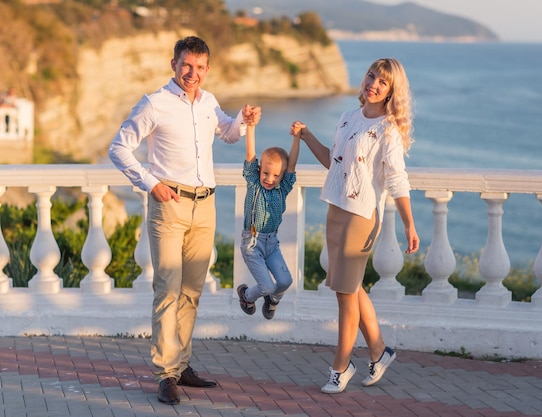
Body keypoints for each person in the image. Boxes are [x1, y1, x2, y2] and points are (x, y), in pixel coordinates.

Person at [108, 36, 261, 405]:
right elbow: (118, 148)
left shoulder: (208, 102)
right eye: (186, 65)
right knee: (168, 290)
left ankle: (182, 365)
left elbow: (226, 132)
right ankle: (165, 374)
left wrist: (244, 120)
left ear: (207, 69)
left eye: (200, 67)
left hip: (205, 205)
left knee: (192, 292)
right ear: (173, 63)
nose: (193, 73)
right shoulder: (154, 103)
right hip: (169, 205)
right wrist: (150, 183)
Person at [290, 58, 419, 394]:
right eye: (371, 76)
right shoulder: (348, 118)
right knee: (350, 287)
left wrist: (409, 224)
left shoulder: (387, 130)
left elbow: (396, 179)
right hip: (336, 210)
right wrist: (306, 136)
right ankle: (379, 351)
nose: (373, 84)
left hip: (361, 217)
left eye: (383, 82)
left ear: (392, 92)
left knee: (345, 295)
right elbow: (333, 162)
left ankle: (341, 366)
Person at [236, 123, 300, 320]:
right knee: (267, 286)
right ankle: (246, 296)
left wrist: (296, 138)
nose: (269, 179)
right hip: (252, 243)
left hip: (272, 244)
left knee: (285, 281)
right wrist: (251, 127)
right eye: (265, 173)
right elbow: (250, 154)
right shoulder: (254, 184)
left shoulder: (283, 188)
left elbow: (292, 165)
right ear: (259, 170)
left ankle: (273, 301)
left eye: (275, 175)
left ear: (282, 176)